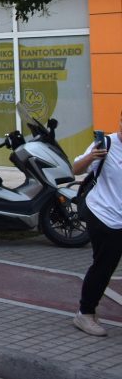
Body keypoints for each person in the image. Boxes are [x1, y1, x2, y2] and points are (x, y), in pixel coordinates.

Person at [72, 120, 122, 336]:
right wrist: (92, 157)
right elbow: (74, 169)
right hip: (104, 214)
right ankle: (85, 314)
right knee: (104, 266)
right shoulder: (106, 144)